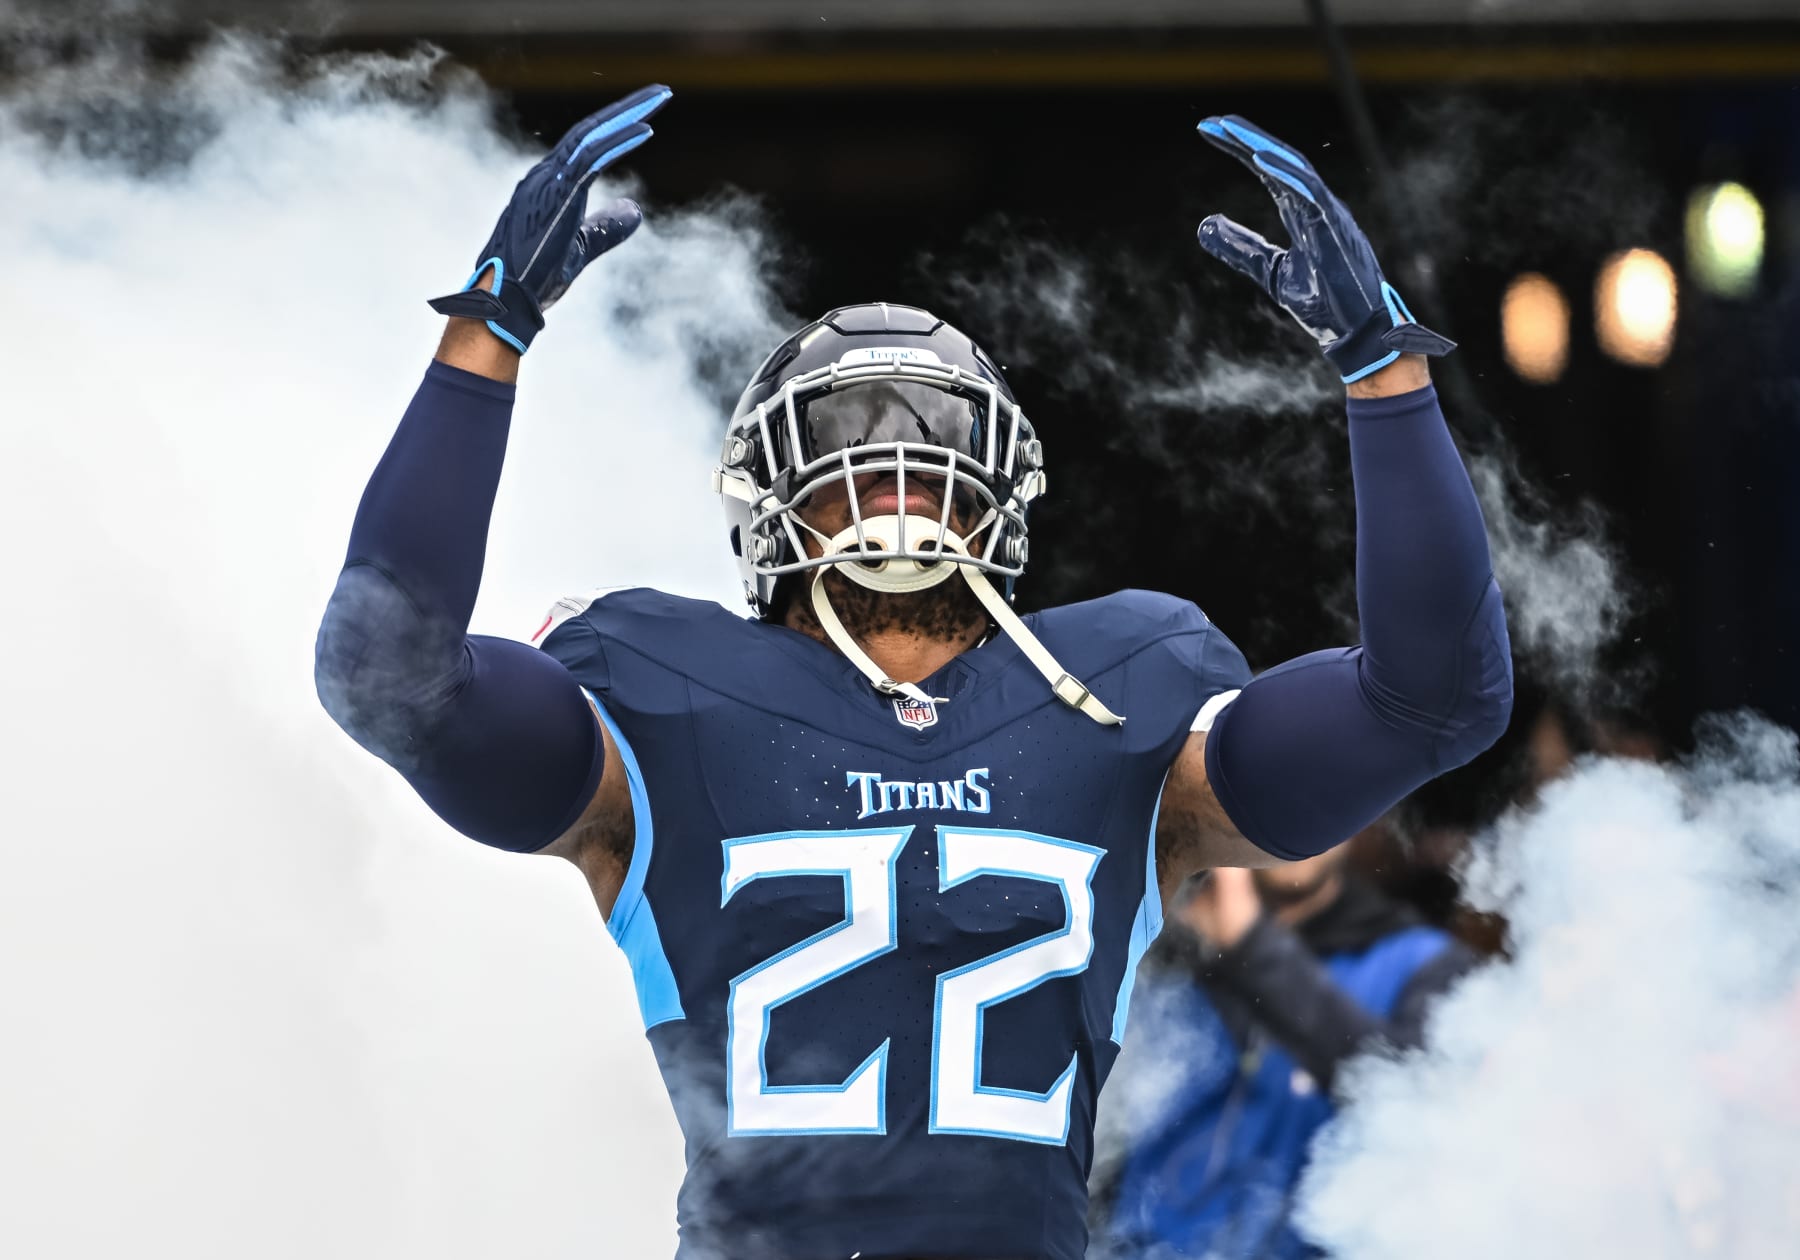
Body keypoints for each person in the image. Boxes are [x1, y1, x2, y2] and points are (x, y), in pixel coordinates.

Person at [313, 86, 1512, 1260]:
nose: (896, 490)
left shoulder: (1125, 689)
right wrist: (484, 337)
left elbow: (1434, 700)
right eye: (853, 465)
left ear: (1003, 490)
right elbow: (384, 672)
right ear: (769, 500)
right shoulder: (654, 692)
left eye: (929, 463)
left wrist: (1381, 370)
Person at [1091, 836, 1480, 1260]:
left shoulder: (1425, 964)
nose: (1303, 818)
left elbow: (1417, 1103)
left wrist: (1252, 946)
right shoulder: (1165, 949)